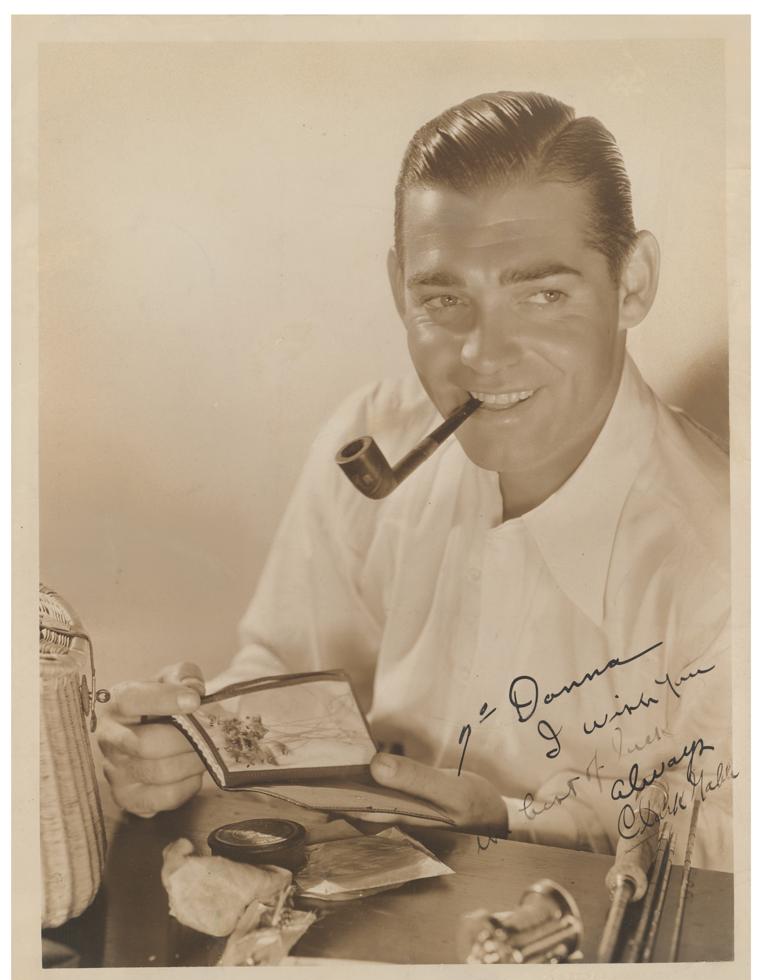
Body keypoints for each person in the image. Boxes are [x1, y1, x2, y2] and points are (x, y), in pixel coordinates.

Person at [98, 91, 733, 870]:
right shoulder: (375, 432)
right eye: (444, 298)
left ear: (632, 283)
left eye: (542, 294)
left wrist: (505, 822)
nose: (483, 354)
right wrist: (186, 745)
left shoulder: (722, 563)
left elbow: (729, 859)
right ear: (399, 285)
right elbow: (284, 671)